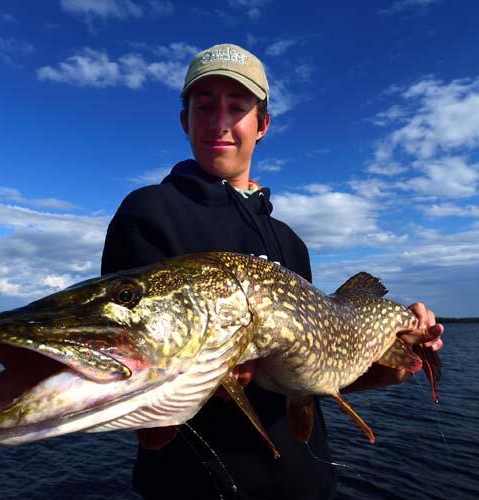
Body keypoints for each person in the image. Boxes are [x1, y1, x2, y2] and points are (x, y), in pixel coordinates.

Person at [101, 43, 444, 499]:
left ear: (261, 124)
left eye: (237, 107)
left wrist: (390, 368)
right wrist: (211, 377)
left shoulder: (290, 242)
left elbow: (314, 372)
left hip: (312, 488)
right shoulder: (149, 212)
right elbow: (132, 364)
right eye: (204, 107)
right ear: (185, 121)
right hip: (193, 488)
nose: (220, 122)